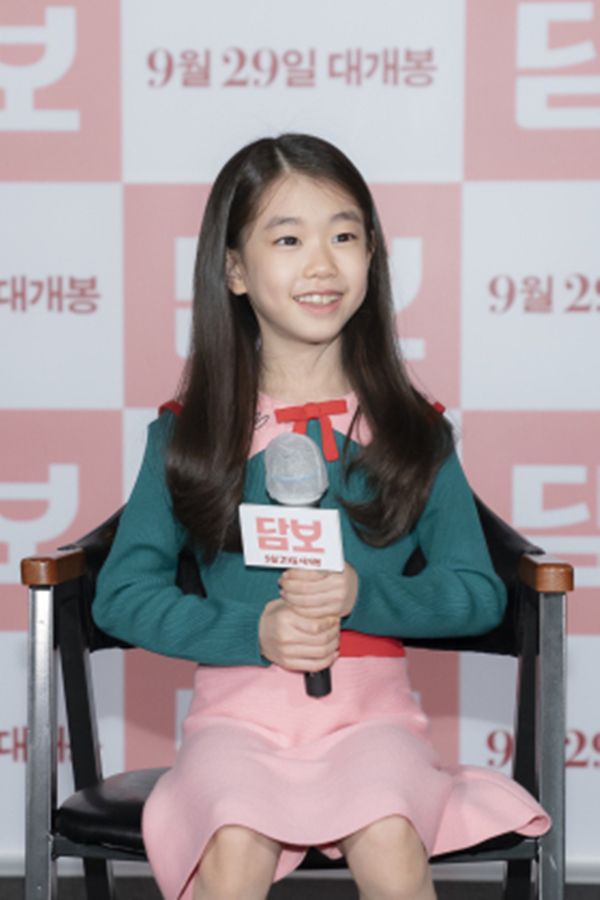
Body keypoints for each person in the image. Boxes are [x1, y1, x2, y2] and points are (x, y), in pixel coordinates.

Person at [93, 133, 550, 900]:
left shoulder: (413, 432)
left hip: (373, 723)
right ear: (234, 269)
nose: (321, 265)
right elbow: (122, 593)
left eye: (344, 236)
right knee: (233, 839)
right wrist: (254, 631)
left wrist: (362, 595)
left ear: (372, 256)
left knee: (389, 833)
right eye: (288, 240)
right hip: (236, 724)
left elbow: (477, 591)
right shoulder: (189, 434)